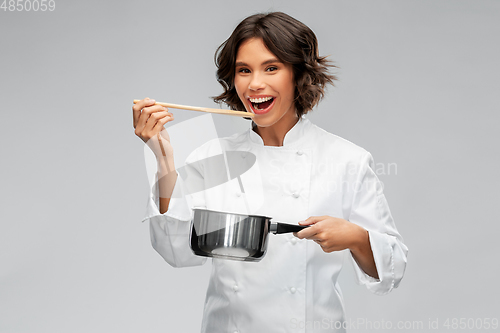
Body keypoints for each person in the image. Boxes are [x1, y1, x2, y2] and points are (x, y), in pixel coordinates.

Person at [133, 12, 408, 333]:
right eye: (244, 70)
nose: (255, 84)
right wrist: (164, 160)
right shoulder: (212, 156)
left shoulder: (347, 159)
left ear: (298, 74)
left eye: (272, 68)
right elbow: (176, 252)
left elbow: (393, 269)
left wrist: (357, 237)